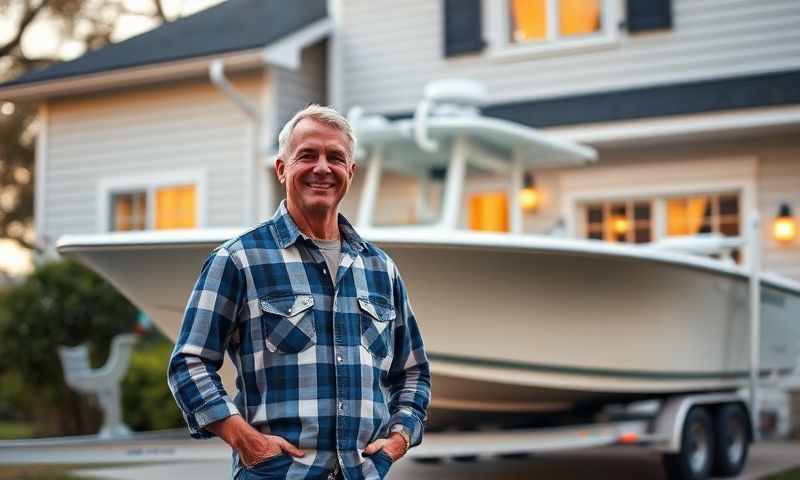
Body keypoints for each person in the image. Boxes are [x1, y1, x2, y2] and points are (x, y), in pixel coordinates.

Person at [167, 105, 431, 480]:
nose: (322, 167)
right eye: (307, 155)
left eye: (336, 158)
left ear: (350, 173)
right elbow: (189, 363)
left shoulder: (380, 269)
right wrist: (245, 440)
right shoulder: (239, 259)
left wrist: (399, 438)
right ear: (281, 168)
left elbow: (413, 371)